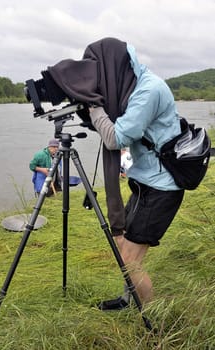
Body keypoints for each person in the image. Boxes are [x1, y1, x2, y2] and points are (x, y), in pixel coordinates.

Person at [37, 37, 185, 309]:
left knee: (129, 259)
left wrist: (94, 106)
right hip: (147, 182)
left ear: (113, 65)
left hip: (162, 187)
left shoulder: (148, 91)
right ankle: (129, 300)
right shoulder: (132, 86)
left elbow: (116, 139)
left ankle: (152, 321)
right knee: (125, 248)